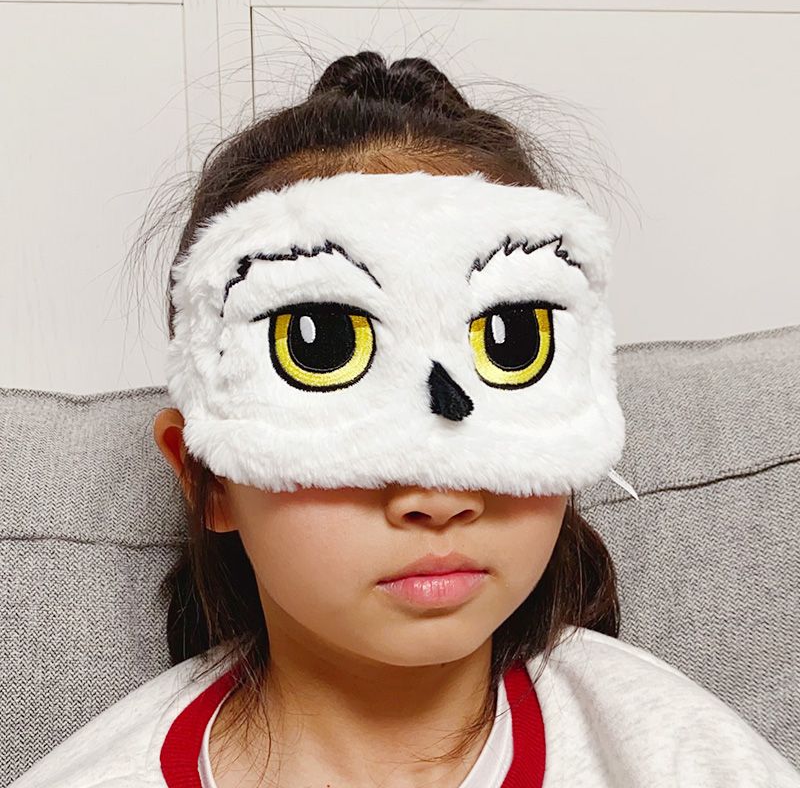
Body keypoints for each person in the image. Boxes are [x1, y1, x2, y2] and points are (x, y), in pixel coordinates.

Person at [11, 50, 800, 788]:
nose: (438, 498)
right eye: (320, 348)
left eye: (512, 342)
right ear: (204, 476)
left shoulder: (675, 758)